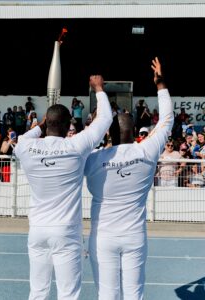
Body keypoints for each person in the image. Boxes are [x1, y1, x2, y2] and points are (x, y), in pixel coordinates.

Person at [14, 75, 112, 300]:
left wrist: (40, 125)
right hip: (66, 231)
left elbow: (22, 137)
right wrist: (98, 89)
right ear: (70, 125)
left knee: (37, 292)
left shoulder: (27, 147)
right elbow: (105, 118)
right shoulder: (76, 145)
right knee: (68, 294)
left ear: (46, 122)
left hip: (37, 229)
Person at [84, 57, 174, 300]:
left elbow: (86, 137)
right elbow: (167, 120)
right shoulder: (146, 150)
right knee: (135, 295)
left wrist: (99, 91)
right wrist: (160, 83)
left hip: (103, 237)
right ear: (135, 132)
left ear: (108, 133)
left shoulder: (92, 158)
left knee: (107, 295)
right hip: (135, 237)